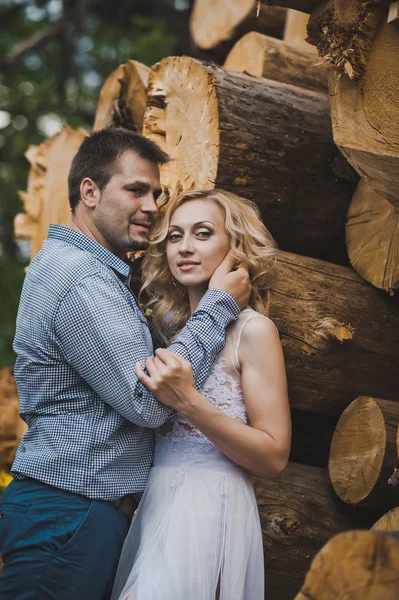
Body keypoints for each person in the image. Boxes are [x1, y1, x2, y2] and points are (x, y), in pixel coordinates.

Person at [0, 129, 251, 600]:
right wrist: (217, 306)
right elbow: (148, 401)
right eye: (135, 190)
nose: (153, 206)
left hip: (77, 515)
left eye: (156, 193)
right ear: (89, 192)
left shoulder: (95, 274)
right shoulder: (80, 279)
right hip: (68, 514)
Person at [111, 189, 292, 600]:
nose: (185, 247)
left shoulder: (253, 331)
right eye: (174, 236)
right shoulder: (173, 336)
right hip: (154, 502)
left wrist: (189, 401)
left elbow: (274, 456)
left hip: (211, 508)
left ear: (236, 249)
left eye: (203, 233)